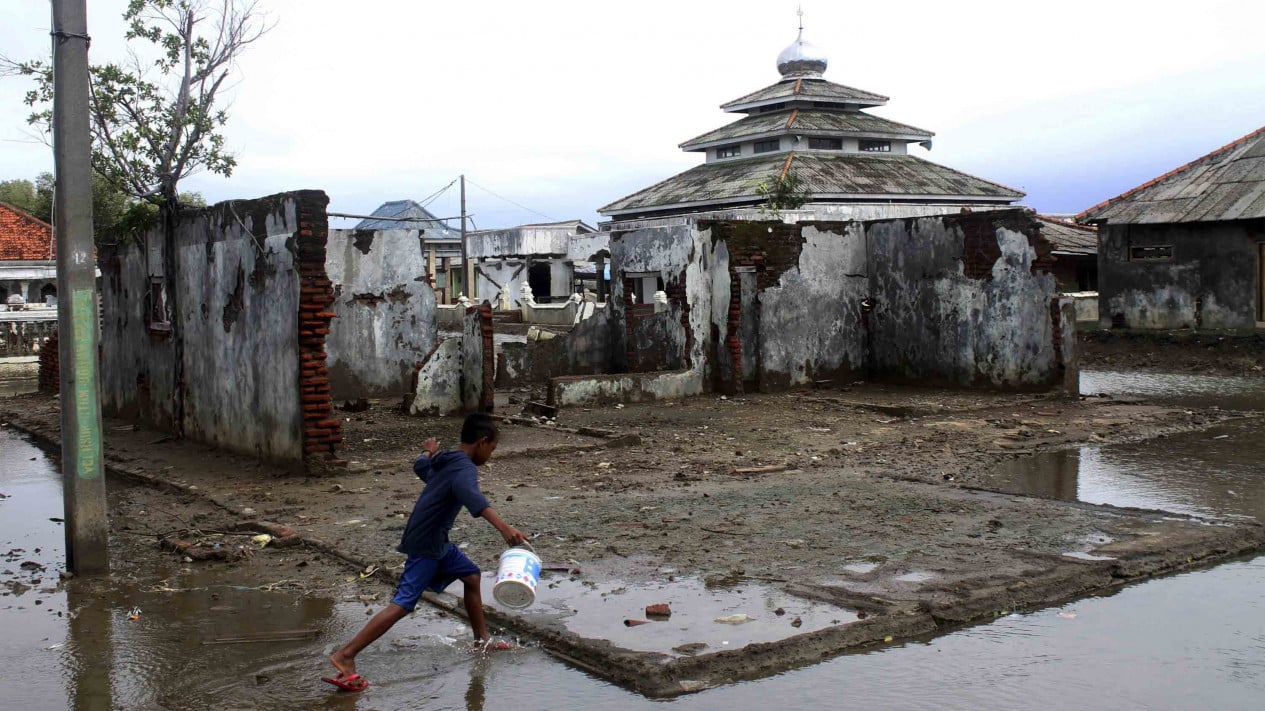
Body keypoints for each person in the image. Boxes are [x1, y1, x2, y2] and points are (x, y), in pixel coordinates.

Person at [324, 413, 527, 692]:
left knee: (471, 576)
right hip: (427, 543)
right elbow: (474, 499)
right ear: (482, 442)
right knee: (404, 603)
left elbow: (422, 467)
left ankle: (482, 640)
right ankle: (345, 656)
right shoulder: (464, 469)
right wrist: (504, 529)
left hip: (436, 539)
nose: (490, 455)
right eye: (492, 449)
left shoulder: (445, 460)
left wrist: (427, 450)